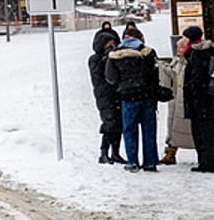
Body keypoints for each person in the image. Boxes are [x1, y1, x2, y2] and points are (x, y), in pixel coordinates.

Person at [105, 25, 159, 173]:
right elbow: (155, 74)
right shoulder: (148, 52)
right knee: (149, 129)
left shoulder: (115, 55)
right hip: (147, 96)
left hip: (127, 97)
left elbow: (110, 78)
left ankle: (132, 161)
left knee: (129, 129)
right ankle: (150, 162)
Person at [172, 26, 213, 168]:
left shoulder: (196, 54)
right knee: (206, 130)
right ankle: (206, 160)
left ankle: (206, 162)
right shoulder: (206, 51)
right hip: (206, 98)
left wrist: (188, 86)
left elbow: (197, 78)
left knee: (202, 131)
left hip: (200, 99)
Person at [87, 31, 126, 164]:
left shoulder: (114, 57)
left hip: (117, 93)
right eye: (109, 44)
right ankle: (103, 152)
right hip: (104, 95)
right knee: (109, 123)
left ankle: (115, 152)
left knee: (119, 123)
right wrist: (107, 57)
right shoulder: (95, 59)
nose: (112, 47)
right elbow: (98, 74)